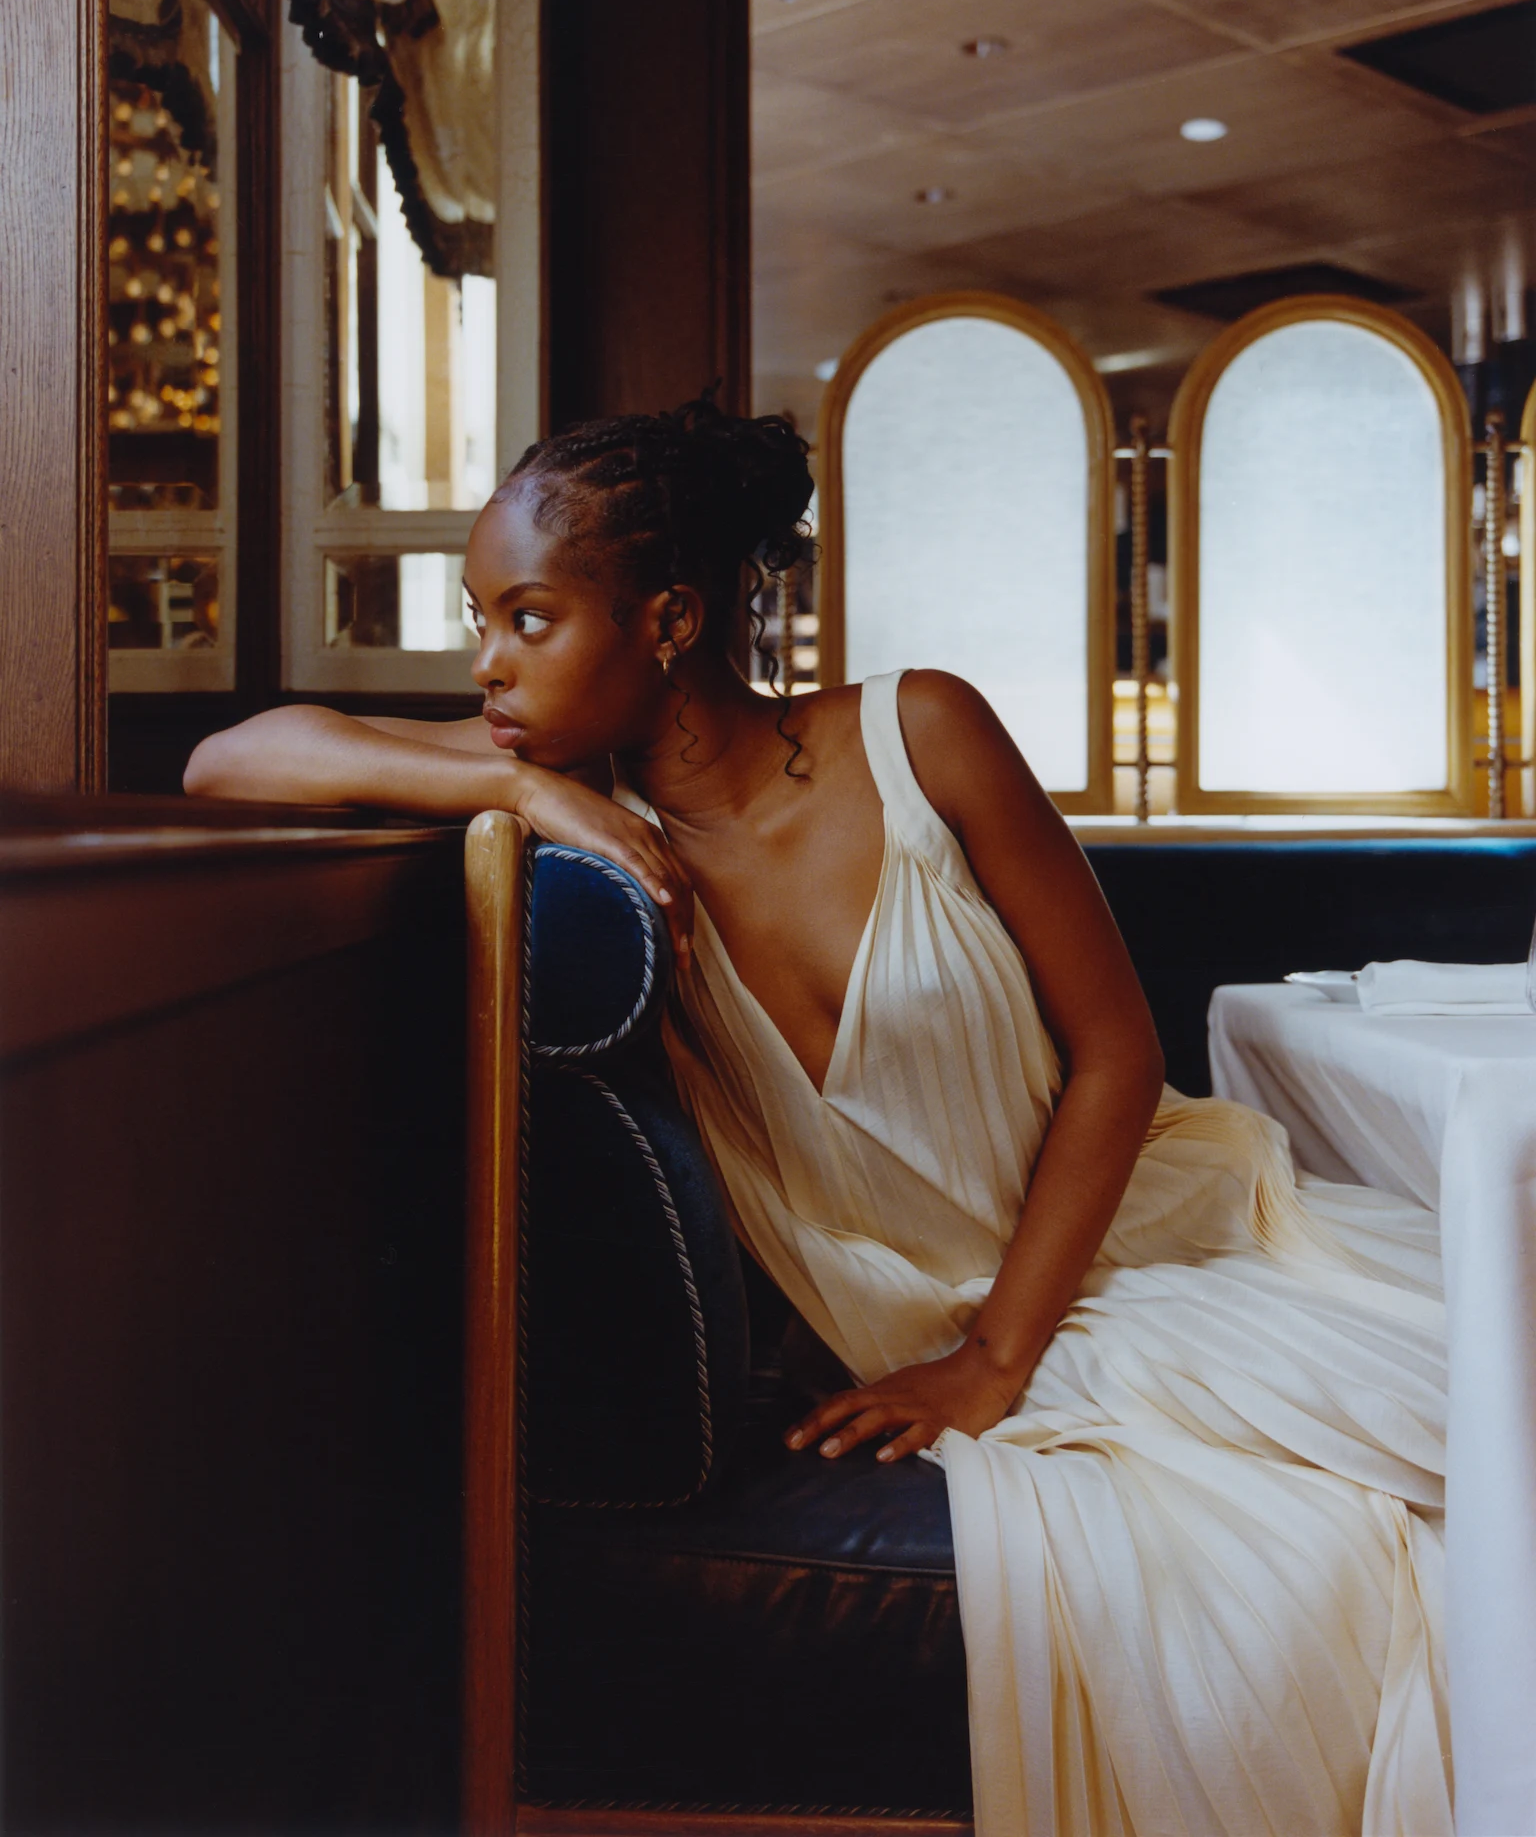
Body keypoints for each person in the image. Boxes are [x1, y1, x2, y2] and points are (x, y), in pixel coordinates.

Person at [187, 397, 1451, 1836]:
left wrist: (993, 1357)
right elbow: (232, 761)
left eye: (527, 618)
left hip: (1157, 1247)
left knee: (1439, 1484)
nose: (489, 663)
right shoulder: (597, 829)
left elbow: (1116, 1054)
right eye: (482, 620)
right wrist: (518, 785)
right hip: (897, 1317)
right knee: (1309, 1561)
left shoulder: (924, 732)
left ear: (666, 617)